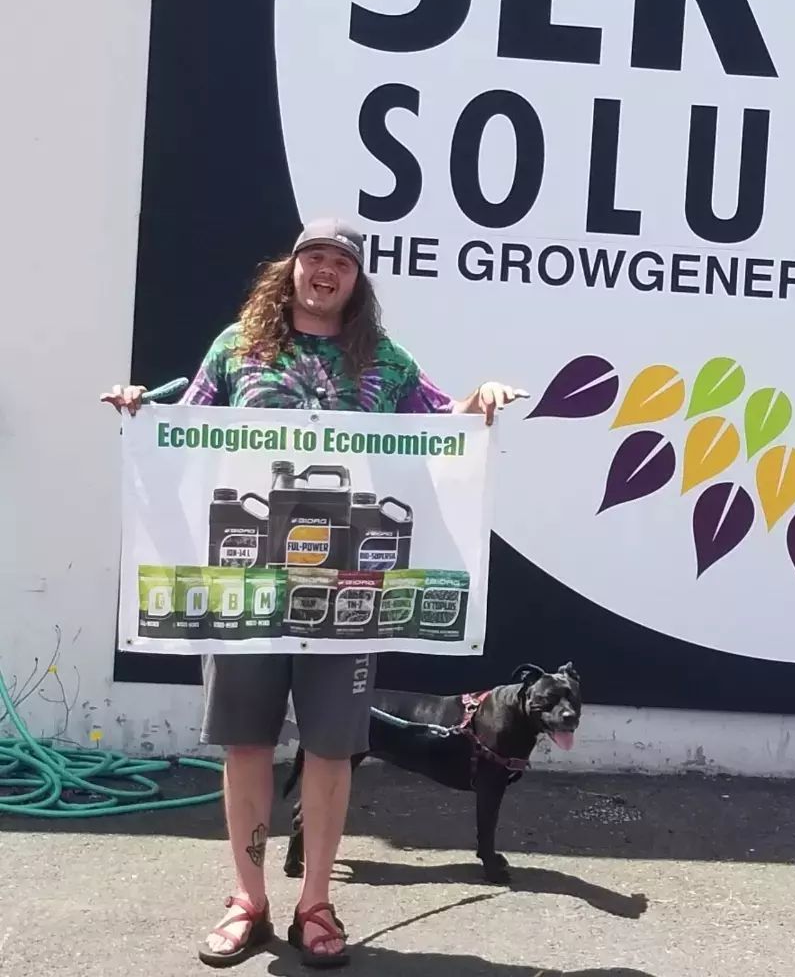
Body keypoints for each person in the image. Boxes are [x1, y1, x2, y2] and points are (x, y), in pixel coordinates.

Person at [101, 218, 527, 968]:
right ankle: (248, 901)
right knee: (246, 745)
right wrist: (141, 406)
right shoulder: (237, 347)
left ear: (356, 280)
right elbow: (183, 422)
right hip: (250, 589)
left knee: (332, 748)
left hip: (347, 591)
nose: (325, 272)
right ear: (291, 267)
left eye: (342, 263)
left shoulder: (384, 361)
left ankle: (316, 904)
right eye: (314, 258)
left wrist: (480, 397)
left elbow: (442, 423)